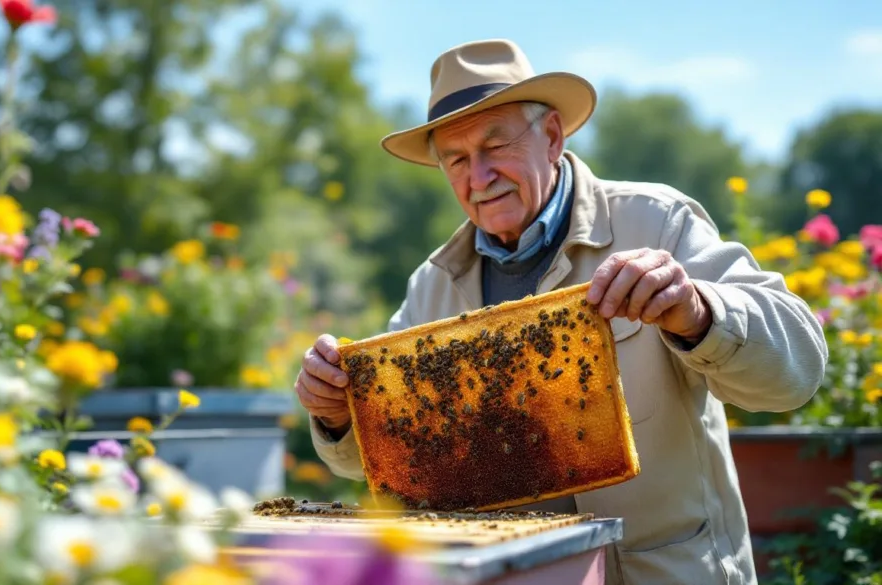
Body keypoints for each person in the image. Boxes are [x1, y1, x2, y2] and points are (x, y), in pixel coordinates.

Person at [292, 38, 828, 585]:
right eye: (457, 160)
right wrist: (336, 413)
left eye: (495, 145)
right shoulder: (431, 286)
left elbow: (797, 373)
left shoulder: (657, 221)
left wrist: (696, 309)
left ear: (551, 137)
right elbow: (378, 463)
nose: (479, 178)